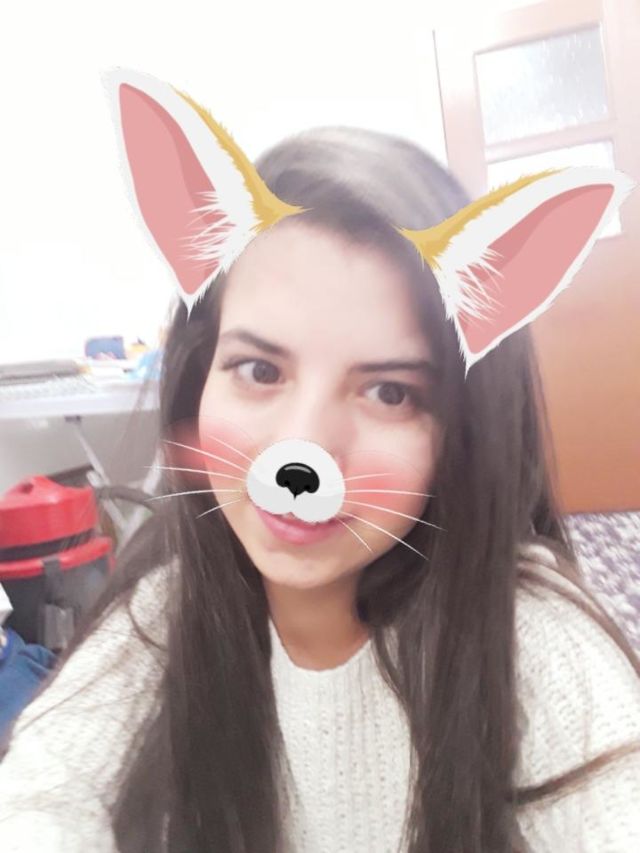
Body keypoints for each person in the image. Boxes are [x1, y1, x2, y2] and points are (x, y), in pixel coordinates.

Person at [0, 71, 639, 853]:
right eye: (259, 370)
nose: (300, 453)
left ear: (462, 427)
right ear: (200, 374)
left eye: (389, 392)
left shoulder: (531, 637)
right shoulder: (169, 604)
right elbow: (42, 793)